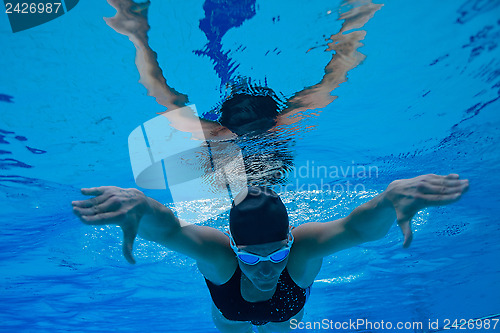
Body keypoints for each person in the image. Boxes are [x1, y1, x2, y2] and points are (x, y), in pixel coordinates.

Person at [72, 174, 469, 332]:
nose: (265, 270)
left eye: (277, 257)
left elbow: (354, 228)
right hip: (231, 320)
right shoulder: (217, 252)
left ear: (289, 242)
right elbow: (171, 230)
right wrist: (142, 205)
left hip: (284, 316)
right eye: (250, 258)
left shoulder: (305, 246)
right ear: (234, 247)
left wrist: (387, 202)